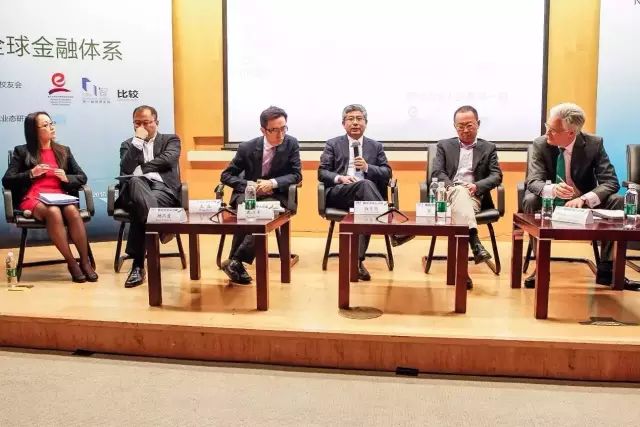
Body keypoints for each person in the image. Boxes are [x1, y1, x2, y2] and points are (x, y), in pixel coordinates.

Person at [523, 102, 639, 290]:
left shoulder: (594, 144)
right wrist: (552, 189)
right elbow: (533, 181)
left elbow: (610, 182)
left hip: (583, 202)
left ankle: (608, 269)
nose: (547, 132)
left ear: (571, 133)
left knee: (617, 201)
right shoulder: (540, 144)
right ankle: (540, 267)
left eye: (552, 130)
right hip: (550, 202)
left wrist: (584, 199)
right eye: (547, 126)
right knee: (530, 199)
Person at [318, 104, 413, 281]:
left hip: (368, 198)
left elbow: (387, 173)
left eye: (359, 119)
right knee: (365, 187)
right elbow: (322, 172)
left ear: (366, 123)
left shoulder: (375, 146)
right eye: (350, 119)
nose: (355, 123)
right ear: (343, 124)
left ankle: (356, 263)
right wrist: (341, 178)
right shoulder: (333, 144)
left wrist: (368, 167)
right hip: (340, 194)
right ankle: (393, 230)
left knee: (366, 206)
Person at [2, 111, 98, 283]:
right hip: (34, 198)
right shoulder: (22, 151)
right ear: (34, 131)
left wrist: (67, 178)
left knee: (72, 211)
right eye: (45, 125)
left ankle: (85, 262)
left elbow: (82, 177)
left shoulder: (63, 151)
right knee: (53, 212)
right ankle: (72, 263)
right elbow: (7, 180)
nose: (51, 127)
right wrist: (31, 173)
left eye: (51, 123)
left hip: (60, 196)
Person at [220, 106, 302, 284]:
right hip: (249, 194)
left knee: (261, 213)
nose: (281, 134)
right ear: (263, 130)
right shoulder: (247, 148)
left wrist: (272, 183)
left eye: (284, 128)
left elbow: (296, 175)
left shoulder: (291, 144)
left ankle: (235, 260)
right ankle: (236, 262)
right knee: (249, 209)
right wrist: (250, 186)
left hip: (276, 195)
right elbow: (226, 176)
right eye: (275, 130)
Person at [431, 105, 503, 289]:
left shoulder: (488, 148)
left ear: (478, 124)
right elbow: (437, 172)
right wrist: (452, 187)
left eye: (469, 125)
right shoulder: (444, 145)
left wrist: (476, 186)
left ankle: (461, 270)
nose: (464, 130)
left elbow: (496, 176)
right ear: (454, 126)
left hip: (473, 196)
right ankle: (474, 241)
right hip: (446, 194)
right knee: (458, 192)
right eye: (460, 126)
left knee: (461, 205)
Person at [115, 105, 182, 288]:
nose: (142, 127)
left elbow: (168, 159)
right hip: (135, 190)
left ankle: (137, 266)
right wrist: (138, 141)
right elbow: (126, 168)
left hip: (162, 190)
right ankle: (162, 228)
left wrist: (143, 168)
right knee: (136, 181)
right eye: (137, 123)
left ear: (156, 122)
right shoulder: (128, 144)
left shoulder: (170, 139)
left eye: (146, 123)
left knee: (141, 210)